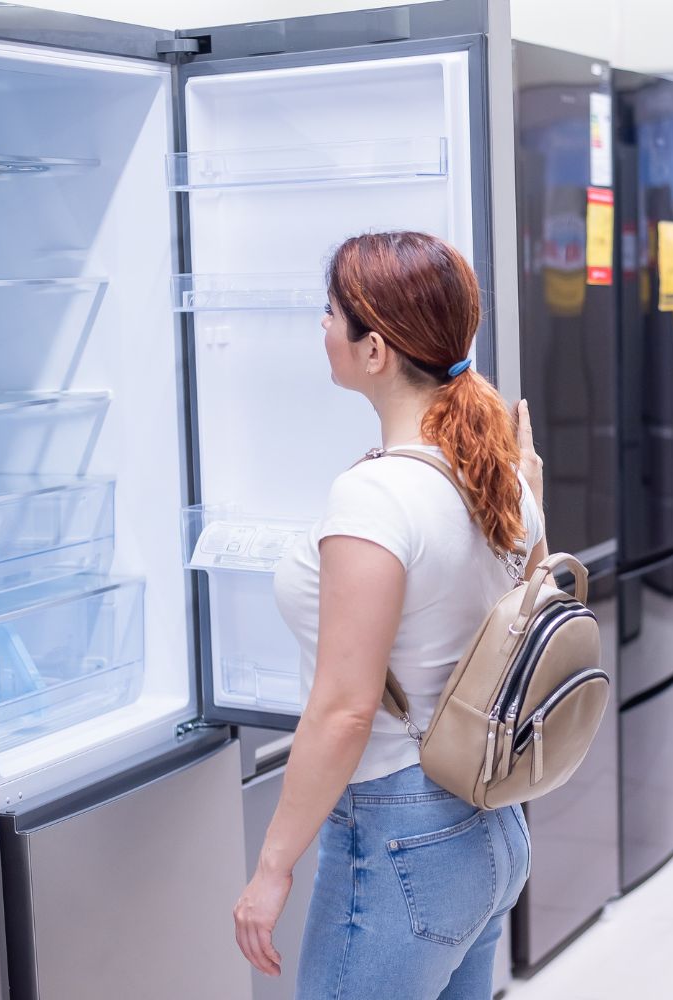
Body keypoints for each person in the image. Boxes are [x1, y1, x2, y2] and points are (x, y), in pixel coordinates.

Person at [233, 231, 547, 999]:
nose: (322, 327)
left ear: (375, 351)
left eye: (332, 314)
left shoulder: (374, 500)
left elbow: (345, 710)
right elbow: (526, 634)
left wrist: (272, 868)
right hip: (489, 824)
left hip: (403, 831)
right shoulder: (501, 472)